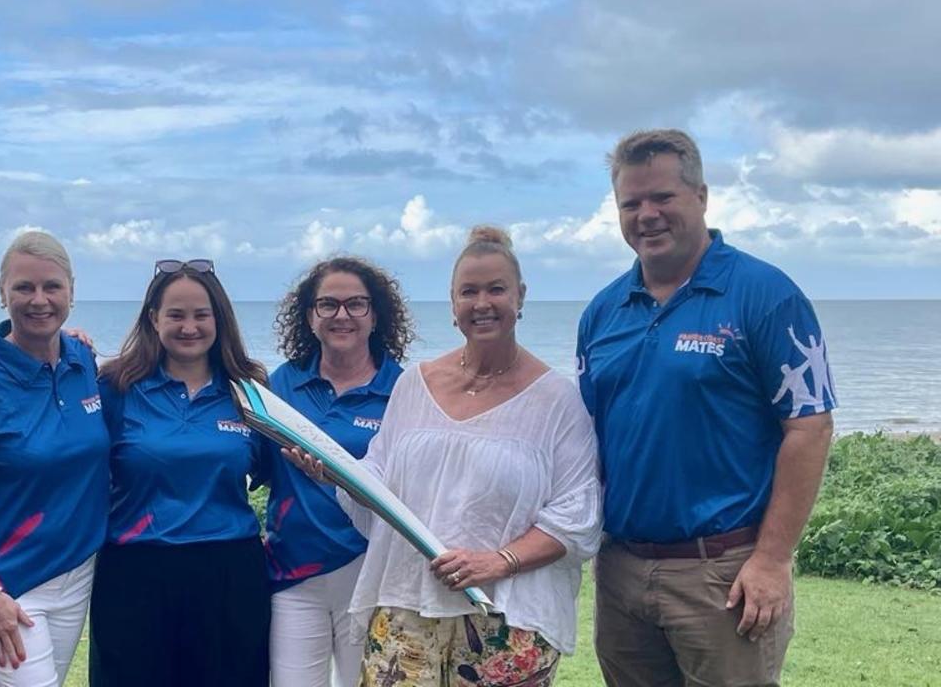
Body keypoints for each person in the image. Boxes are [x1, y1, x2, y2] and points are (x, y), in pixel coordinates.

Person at [576, 129, 836, 687]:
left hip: (723, 572)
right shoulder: (602, 312)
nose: (647, 215)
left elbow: (809, 429)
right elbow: (584, 438)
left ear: (701, 196)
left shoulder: (766, 295)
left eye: (662, 198)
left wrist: (772, 560)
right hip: (620, 571)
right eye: (631, 203)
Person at [289, 226, 601, 687]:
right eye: (468, 291)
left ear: (520, 297)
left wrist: (500, 560)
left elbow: (578, 515)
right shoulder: (415, 384)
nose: (482, 303)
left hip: (507, 621)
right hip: (404, 607)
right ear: (452, 304)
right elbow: (380, 474)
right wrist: (334, 470)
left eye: (496, 289)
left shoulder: (557, 399)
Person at [0, 231, 111, 686]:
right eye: (24, 287)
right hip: (7, 584)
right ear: (1, 293)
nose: (39, 300)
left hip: (77, 575)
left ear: (71, 291)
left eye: (52, 286)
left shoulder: (83, 362)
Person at [89, 258, 271, 687]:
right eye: (176, 314)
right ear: (154, 319)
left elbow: (282, 474)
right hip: (135, 574)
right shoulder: (115, 386)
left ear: (219, 319)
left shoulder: (250, 391)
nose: (189, 326)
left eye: (200, 314)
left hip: (229, 572)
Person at [266, 256, 414, 687]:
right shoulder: (282, 384)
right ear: (309, 316)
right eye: (327, 304)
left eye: (356, 304)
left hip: (370, 573)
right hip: (293, 573)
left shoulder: (403, 390)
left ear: (375, 314)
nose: (341, 315)